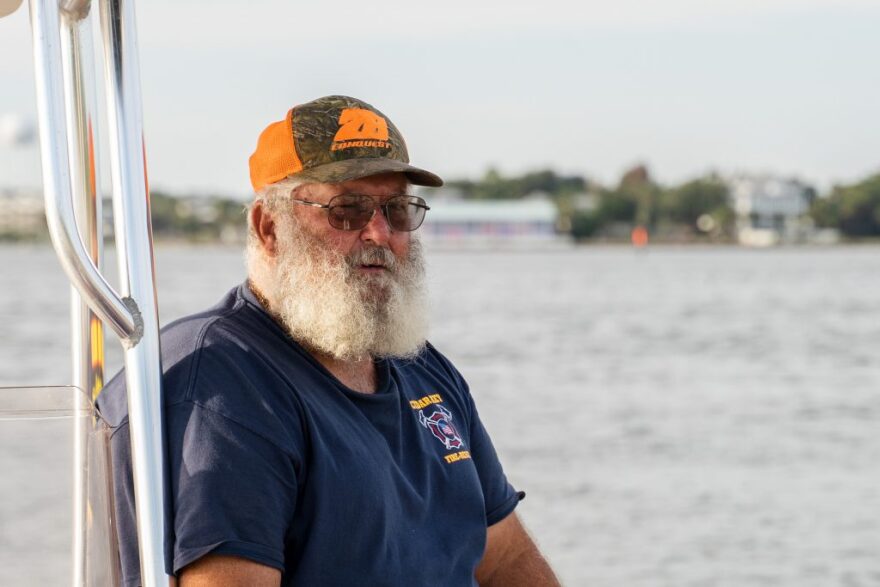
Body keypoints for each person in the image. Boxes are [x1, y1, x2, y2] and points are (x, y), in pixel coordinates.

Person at [98, 95, 559, 586]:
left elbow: (507, 560)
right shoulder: (221, 386)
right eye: (347, 211)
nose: (379, 234)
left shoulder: (423, 369)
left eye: (397, 210)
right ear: (269, 227)